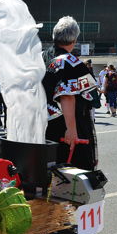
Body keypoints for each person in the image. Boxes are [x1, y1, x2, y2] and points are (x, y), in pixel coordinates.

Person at [42, 17, 100, 170]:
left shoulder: (42, 57)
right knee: (69, 172)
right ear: (74, 39)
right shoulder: (70, 62)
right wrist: (72, 130)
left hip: (42, 123)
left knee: (46, 169)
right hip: (64, 126)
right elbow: (66, 95)